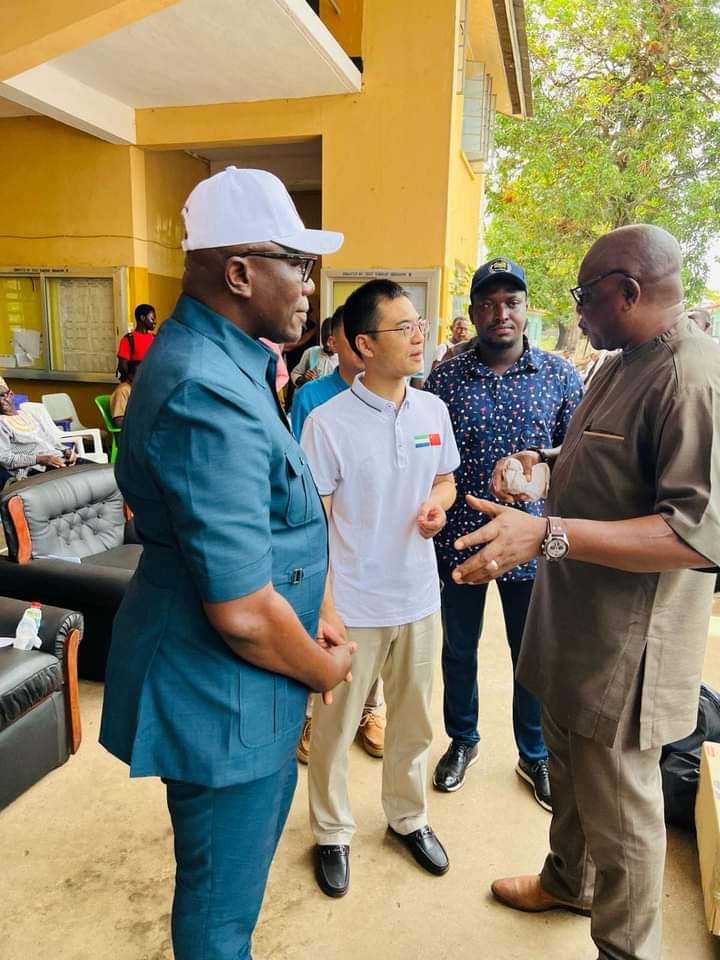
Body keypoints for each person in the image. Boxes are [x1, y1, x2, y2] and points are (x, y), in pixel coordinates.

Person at [99, 167, 355, 960]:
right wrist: (321, 667)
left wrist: (318, 609)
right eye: (297, 264)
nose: (309, 286)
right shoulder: (205, 388)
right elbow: (242, 609)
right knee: (219, 914)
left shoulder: (228, 360)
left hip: (244, 676)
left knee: (229, 889)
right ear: (240, 272)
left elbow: (270, 528)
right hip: (222, 693)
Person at [450, 225, 720, 960]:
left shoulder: (691, 378)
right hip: (574, 623)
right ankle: (570, 881)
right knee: (568, 770)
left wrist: (548, 533)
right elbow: (598, 452)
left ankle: (625, 948)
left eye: (584, 294)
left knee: (622, 813)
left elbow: (696, 536)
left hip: (626, 645)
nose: (576, 308)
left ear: (628, 292)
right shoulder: (616, 363)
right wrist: (542, 461)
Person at [302, 278, 460, 898]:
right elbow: (314, 523)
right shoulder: (327, 424)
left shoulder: (432, 410)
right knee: (335, 730)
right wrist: (324, 607)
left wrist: (438, 504)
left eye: (419, 323)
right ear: (363, 345)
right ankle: (331, 831)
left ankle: (407, 818)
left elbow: (445, 478)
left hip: (419, 597)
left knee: (414, 723)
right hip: (353, 606)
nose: (419, 336)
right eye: (403, 327)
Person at [424, 257, 583, 809]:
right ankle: (462, 739)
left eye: (511, 302)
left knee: (530, 653)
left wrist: (541, 462)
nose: (501, 314)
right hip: (459, 542)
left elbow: (578, 453)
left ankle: (533, 753)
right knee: (458, 648)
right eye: (488, 304)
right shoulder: (445, 379)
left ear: (526, 308)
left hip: (531, 545)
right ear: (473, 313)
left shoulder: (559, 376)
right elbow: (429, 457)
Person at [291, 305, 385, 763]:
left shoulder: (390, 394)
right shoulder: (312, 397)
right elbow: (302, 468)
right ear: (338, 343)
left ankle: (369, 710)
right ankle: (314, 713)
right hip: (327, 531)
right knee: (327, 623)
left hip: (375, 537)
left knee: (377, 627)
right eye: (354, 336)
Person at [0, 378, 79, 484]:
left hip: (60, 459)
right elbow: (5, 459)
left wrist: (66, 450)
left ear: (11, 394)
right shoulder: (1, 423)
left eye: (2, 395)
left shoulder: (28, 414)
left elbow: (48, 439)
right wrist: (41, 459)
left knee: (98, 472)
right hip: (36, 468)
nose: (2, 400)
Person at [291, 315, 339, 386]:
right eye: (324, 339)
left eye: (331, 341)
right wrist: (303, 379)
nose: (327, 344)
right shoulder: (311, 352)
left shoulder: (342, 359)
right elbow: (295, 374)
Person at [116, 303, 156, 381]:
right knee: (122, 388)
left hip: (153, 381)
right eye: (152, 319)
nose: (155, 322)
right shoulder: (128, 339)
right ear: (142, 317)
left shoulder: (155, 338)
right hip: (134, 382)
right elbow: (123, 368)